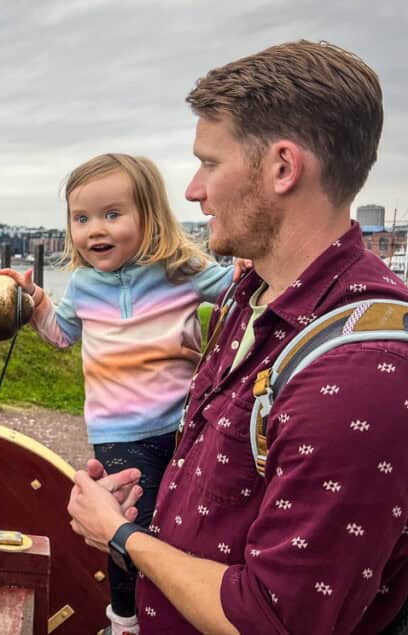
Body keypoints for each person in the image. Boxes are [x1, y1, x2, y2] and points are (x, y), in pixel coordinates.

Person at [67, 40, 408, 634]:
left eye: (210, 163)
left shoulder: (360, 373)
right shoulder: (253, 290)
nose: (195, 191)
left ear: (282, 167)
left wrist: (119, 533)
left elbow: (276, 620)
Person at [0, 152, 237, 635]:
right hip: (119, 435)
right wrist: (38, 300)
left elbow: (234, 290)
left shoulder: (179, 269)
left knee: (187, 527)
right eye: (81, 219)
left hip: (185, 427)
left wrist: (253, 266)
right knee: (128, 531)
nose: (95, 230)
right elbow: (61, 334)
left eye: (112, 214)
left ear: (150, 217)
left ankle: (182, 612)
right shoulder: (83, 284)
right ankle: (125, 620)